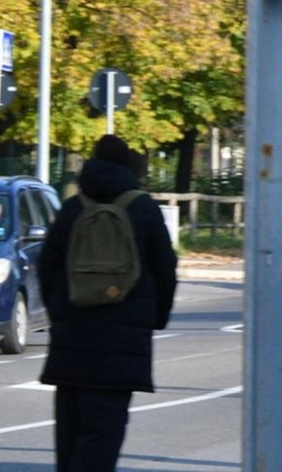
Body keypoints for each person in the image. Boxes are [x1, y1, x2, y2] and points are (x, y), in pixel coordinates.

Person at [37, 134, 179, 471]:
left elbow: (47, 265)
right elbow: (165, 269)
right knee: (103, 435)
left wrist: (60, 312)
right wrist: (154, 318)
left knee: (70, 433)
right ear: (128, 165)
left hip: (72, 341)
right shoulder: (143, 208)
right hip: (123, 342)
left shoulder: (72, 208)